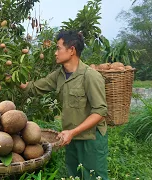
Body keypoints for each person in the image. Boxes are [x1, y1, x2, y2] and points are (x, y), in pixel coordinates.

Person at [20, 30, 109, 180]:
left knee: (93, 177)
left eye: (58, 48)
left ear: (72, 50)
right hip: (71, 137)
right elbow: (34, 88)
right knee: (73, 176)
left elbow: (100, 112)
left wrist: (72, 132)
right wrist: (11, 77)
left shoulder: (90, 76)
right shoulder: (59, 74)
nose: (55, 53)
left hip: (91, 138)